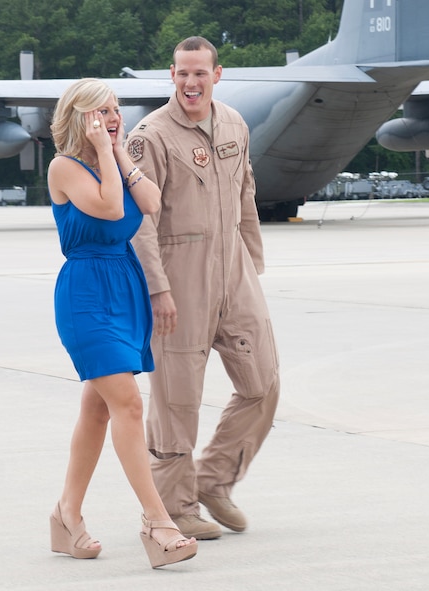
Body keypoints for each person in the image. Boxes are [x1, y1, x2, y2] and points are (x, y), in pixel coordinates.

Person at [127, 37, 280, 540]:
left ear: (218, 74)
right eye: (182, 74)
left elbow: (246, 193)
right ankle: (176, 507)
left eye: (200, 73)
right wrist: (158, 288)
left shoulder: (235, 123)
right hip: (179, 275)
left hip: (233, 270)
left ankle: (215, 479)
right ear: (171, 76)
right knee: (177, 399)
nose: (191, 83)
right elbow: (141, 222)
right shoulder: (150, 135)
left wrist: (252, 264)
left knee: (263, 383)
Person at [47, 78, 197, 568]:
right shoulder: (64, 168)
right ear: (78, 117)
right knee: (130, 405)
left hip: (125, 289)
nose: (113, 117)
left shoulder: (112, 159)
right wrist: (102, 152)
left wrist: (116, 152)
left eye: (115, 109)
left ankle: (66, 516)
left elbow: (150, 203)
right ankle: (158, 522)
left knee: (97, 411)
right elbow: (111, 207)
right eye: (101, 112)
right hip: (87, 294)